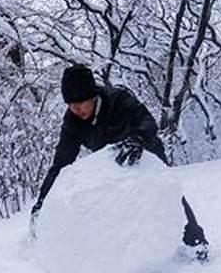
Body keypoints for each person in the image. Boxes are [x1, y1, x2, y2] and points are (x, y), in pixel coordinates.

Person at [31, 64, 209, 260]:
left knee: (164, 194)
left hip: (145, 150)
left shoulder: (118, 100)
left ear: (93, 96)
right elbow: (61, 164)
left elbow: (148, 121)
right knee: (118, 203)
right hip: (114, 163)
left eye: (80, 102)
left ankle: (196, 242)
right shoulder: (73, 122)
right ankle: (132, 250)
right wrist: (42, 202)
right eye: (71, 104)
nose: (76, 108)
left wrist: (138, 139)